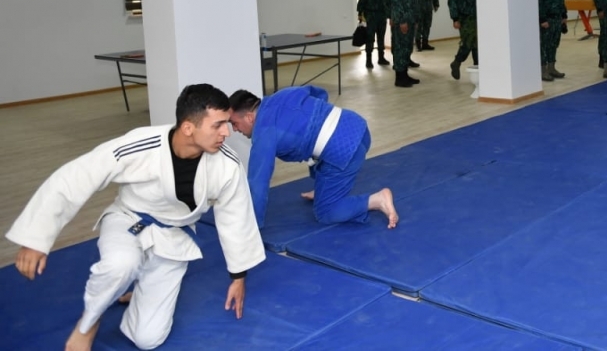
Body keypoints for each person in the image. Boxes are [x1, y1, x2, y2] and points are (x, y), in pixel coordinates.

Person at [6, 84, 265, 351]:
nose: (226, 132)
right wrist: (36, 237)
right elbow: (78, 175)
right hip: (128, 219)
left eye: (227, 123)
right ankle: (88, 323)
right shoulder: (142, 143)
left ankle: (138, 289)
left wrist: (238, 277)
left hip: (174, 236)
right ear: (188, 127)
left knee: (148, 339)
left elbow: (236, 217)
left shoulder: (227, 165)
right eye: (218, 125)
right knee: (121, 263)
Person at [228, 87, 398, 232]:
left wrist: (252, 227)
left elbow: (258, 184)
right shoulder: (282, 94)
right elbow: (319, 93)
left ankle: (377, 200)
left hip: (346, 150)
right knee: (313, 145)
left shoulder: (264, 134)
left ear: (249, 117)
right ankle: (323, 189)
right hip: (356, 124)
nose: (234, 130)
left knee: (326, 213)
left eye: (234, 123)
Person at [387, 0, 420, 88]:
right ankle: (399, 78)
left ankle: (405, 75)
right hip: (403, 20)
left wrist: (415, 19)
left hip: (410, 18)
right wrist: (402, 20)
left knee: (407, 48)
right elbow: (396, 1)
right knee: (400, 48)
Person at [538, 0, 568, 82]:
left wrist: (564, 16)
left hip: (557, 19)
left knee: (554, 44)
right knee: (544, 45)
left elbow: (561, 0)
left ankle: (551, 68)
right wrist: (542, 19)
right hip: (547, 19)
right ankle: (543, 70)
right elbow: (539, 2)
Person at [448, 0, 478, 80]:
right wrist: (455, 18)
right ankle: (457, 62)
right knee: (468, 43)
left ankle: (478, 69)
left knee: (478, 45)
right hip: (465, 19)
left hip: (479, 18)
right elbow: (452, 1)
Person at [356, 0, 390, 69]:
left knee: (381, 37)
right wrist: (360, 13)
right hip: (371, 15)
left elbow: (388, 0)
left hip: (382, 15)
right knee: (370, 38)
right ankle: (369, 60)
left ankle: (381, 58)